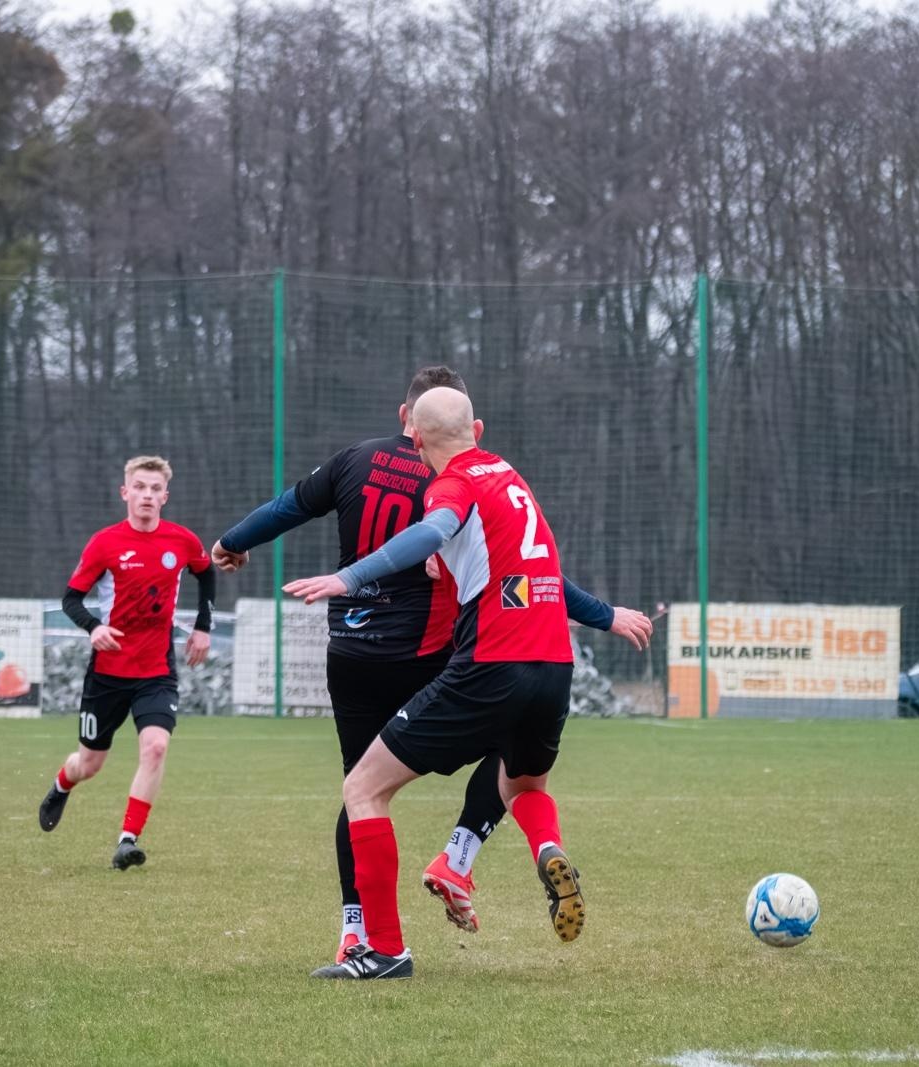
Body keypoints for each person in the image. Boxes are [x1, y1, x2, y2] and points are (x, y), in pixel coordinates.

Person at [213, 368, 651, 963]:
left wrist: (348, 575)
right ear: (476, 428)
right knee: (521, 779)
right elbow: (532, 573)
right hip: (550, 663)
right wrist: (605, 615)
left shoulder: (441, 485)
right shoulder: (509, 477)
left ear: (412, 435)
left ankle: (376, 946)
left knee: (362, 788)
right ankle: (500, 852)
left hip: (458, 663)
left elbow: (430, 528)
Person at [37, 455, 216, 871]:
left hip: (156, 672)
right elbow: (70, 599)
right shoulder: (105, 543)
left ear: (165, 496)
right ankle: (62, 784)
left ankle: (127, 839)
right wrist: (93, 628)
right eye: (140, 487)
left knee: (155, 747)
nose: (147, 495)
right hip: (107, 675)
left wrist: (203, 627)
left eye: (155, 489)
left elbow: (205, 573)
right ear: (125, 493)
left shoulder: (182, 541)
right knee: (89, 763)